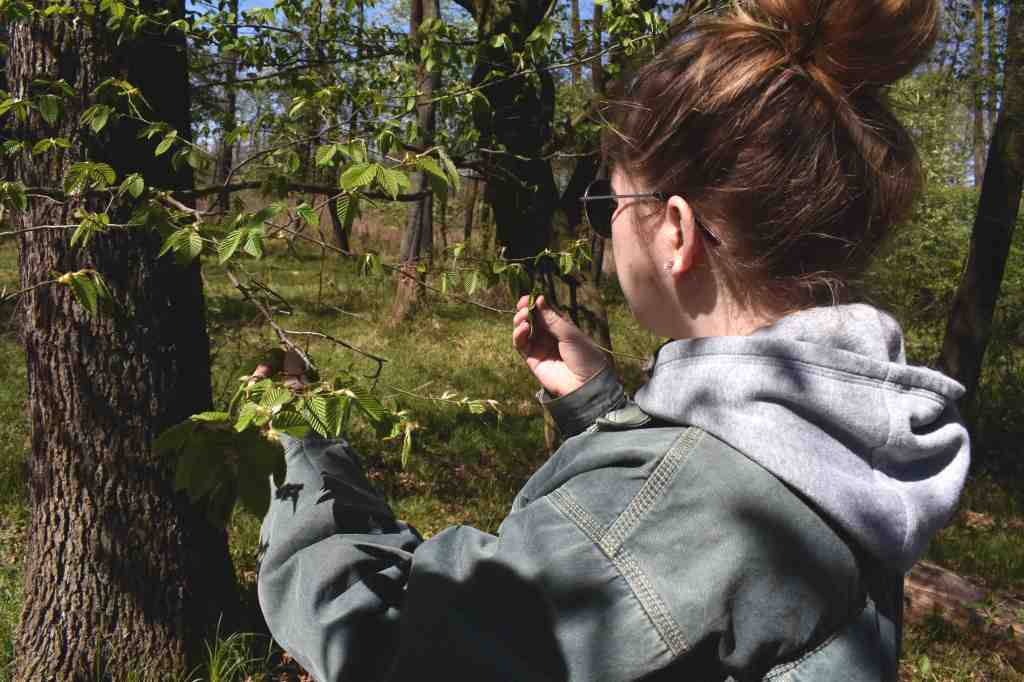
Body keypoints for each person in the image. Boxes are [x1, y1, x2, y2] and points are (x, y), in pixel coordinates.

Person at [256, 0, 970, 679]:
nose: (597, 225)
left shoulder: (669, 521)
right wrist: (602, 411)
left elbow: (383, 646)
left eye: (606, 201)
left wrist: (303, 445)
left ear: (676, 231)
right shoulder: (854, 442)